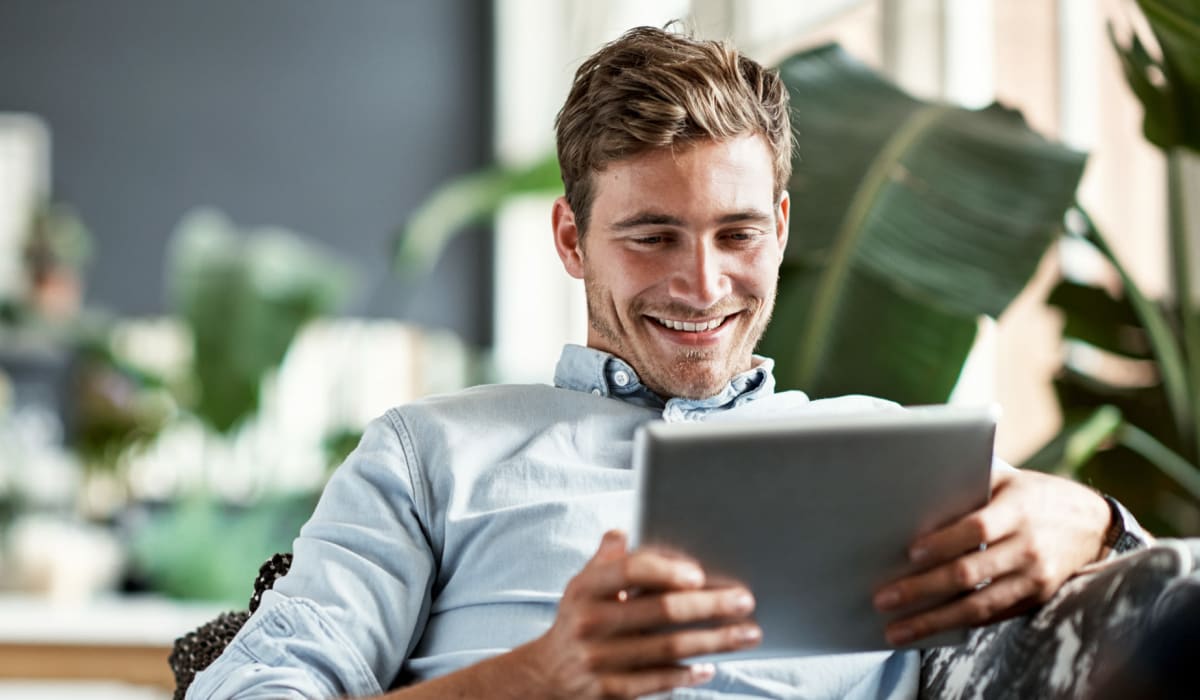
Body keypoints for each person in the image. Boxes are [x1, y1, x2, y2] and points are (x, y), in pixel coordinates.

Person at [188, 26, 1149, 699]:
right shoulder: (430, 453)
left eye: (737, 233)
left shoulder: (894, 453)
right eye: (651, 236)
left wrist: (1096, 521)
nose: (702, 284)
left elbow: (1156, 604)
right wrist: (540, 678)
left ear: (780, 228)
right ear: (573, 239)